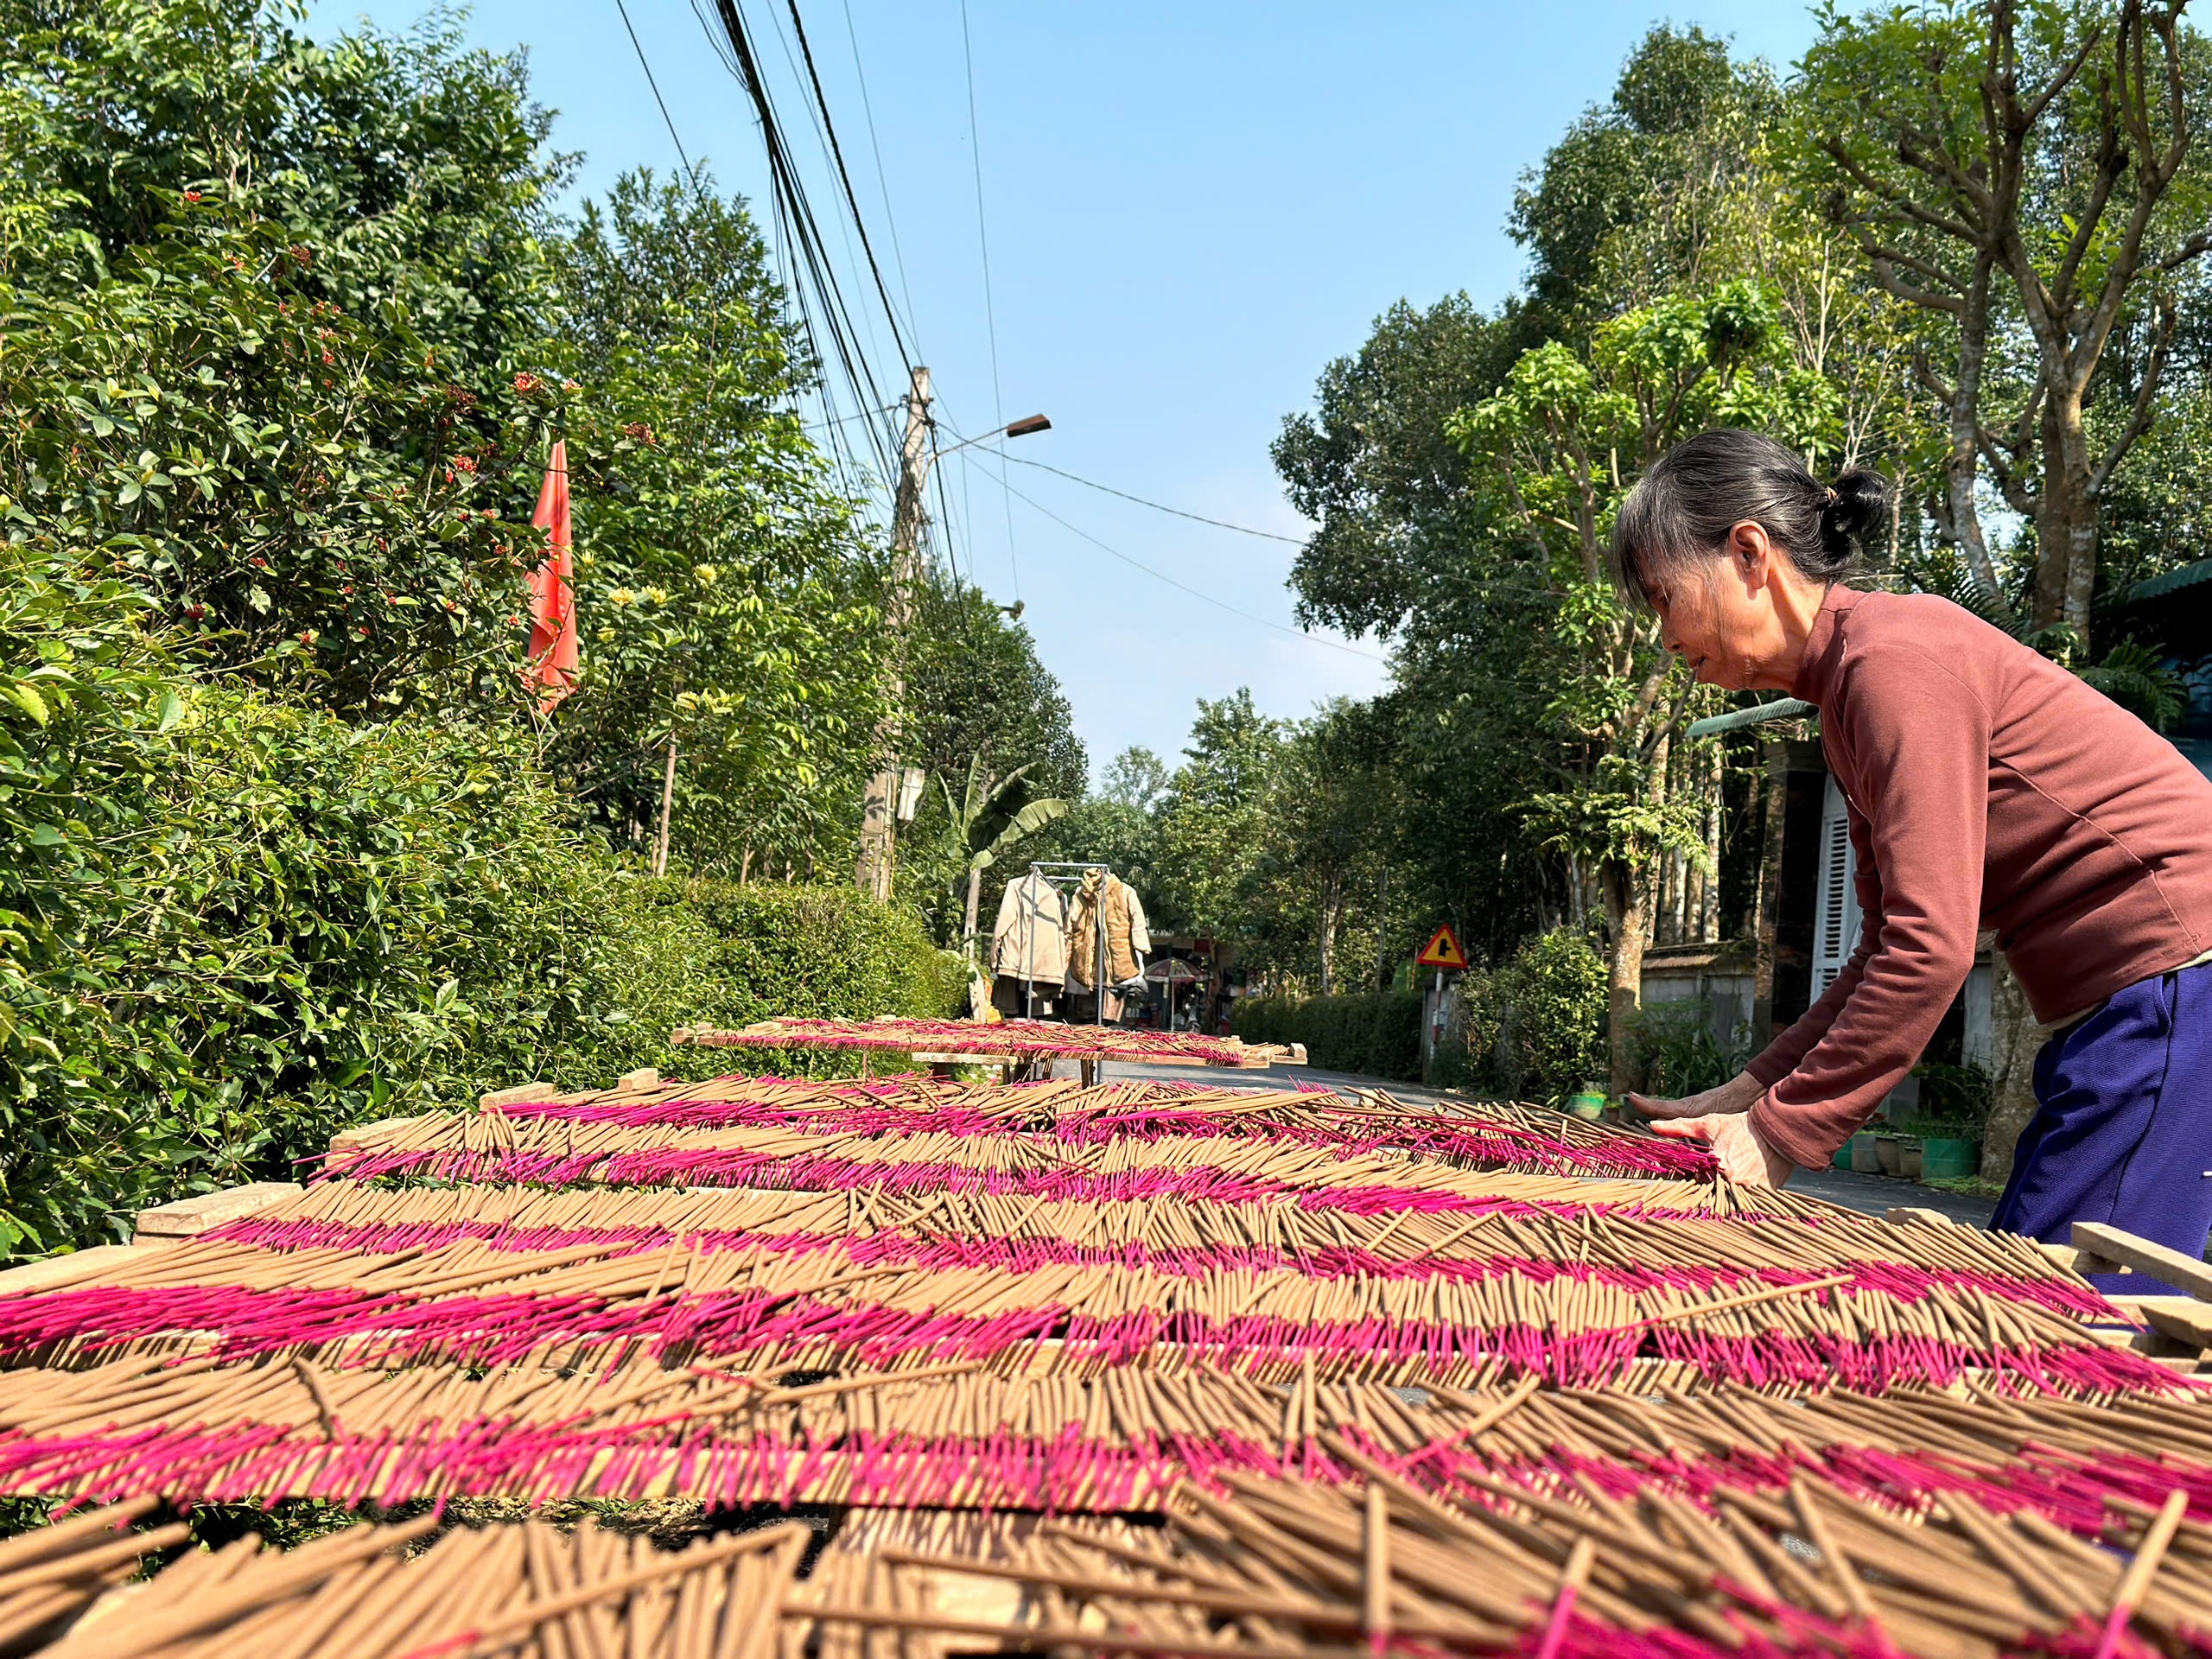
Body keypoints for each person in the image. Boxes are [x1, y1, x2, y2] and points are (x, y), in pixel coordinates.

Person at [1614, 429, 2212, 1261]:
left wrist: (1780, 1135)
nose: (1664, 636)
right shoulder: (1848, 689)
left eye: (1660, 595)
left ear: (1748, 553)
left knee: (2068, 1314)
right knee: (2040, 1291)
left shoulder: (1892, 662)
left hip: (2178, 989)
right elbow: (1886, 944)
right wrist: (1754, 1089)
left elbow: (1930, 951)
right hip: (2145, 1003)